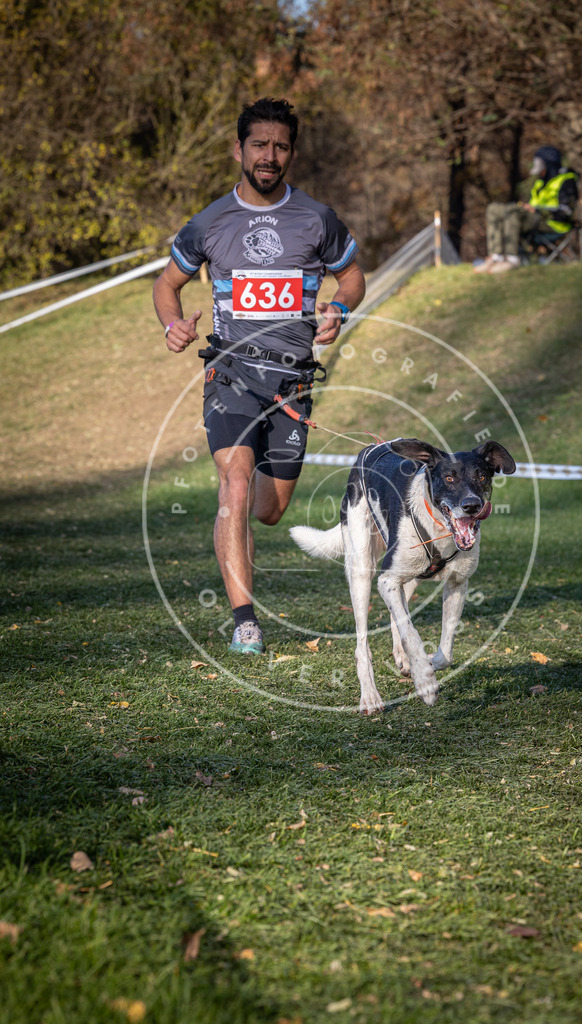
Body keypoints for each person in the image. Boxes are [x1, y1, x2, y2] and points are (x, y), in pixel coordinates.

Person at [153, 97, 366, 654]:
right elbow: (166, 284)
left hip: (292, 384)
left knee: (268, 511)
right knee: (236, 482)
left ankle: (234, 525)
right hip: (231, 375)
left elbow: (352, 279)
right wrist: (173, 325)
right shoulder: (210, 222)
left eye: (280, 146)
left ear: (290, 152)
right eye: (259, 145)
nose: (269, 156)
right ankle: (244, 618)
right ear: (238, 150)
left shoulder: (317, 219)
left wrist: (338, 309)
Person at [473, 145, 579, 274]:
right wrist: (528, 207)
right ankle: (496, 257)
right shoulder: (540, 183)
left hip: (554, 225)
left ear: (548, 164)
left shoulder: (566, 181)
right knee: (493, 208)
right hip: (535, 221)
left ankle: (511, 259)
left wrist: (537, 210)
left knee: (513, 213)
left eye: (540, 164)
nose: (537, 168)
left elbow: (565, 211)